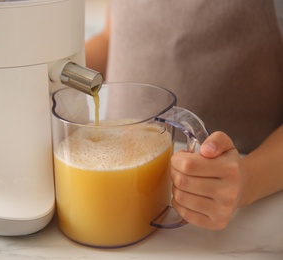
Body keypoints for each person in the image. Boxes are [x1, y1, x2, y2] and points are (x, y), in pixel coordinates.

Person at [85, 0, 283, 230]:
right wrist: (50, 70)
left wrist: (246, 181)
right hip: (110, 186)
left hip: (228, 206)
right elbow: (112, 38)